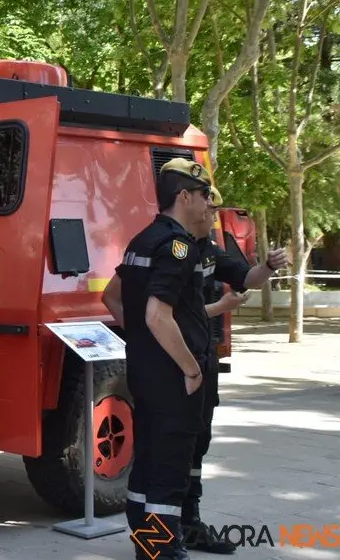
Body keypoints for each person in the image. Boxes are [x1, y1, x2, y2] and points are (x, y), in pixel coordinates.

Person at [104, 157, 214, 560]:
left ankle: (145, 544)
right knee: (169, 468)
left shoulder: (142, 240)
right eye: (203, 196)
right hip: (172, 376)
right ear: (184, 196)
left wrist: (142, 339)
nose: (207, 205)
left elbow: (112, 296)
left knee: (147, 460)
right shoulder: (178, 246)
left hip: (144, 371)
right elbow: (157, 314)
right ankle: (160, 552)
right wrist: (189, 367)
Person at [180, 184, 288, 554]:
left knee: (198, 440)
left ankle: (189, 523)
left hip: (202, 356)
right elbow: (160, 314)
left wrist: (268, 267)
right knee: (168, 449)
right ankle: (158, 537)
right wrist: (218, 308)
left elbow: (246, 277)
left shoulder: (210, 248)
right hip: (175, 362)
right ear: (185, 201)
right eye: (210, 204)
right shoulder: (169, 248)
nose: (215, 211)